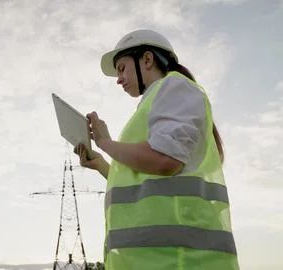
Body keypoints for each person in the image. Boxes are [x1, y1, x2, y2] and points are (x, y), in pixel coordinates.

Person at [74, 29, 239, 269]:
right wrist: (101, 164)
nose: (118, 79)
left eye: (121, 68)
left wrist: (106, 143)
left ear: (147, 60)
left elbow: (165, 160)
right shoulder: (156, 101)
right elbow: (149, 184)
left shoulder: (175, 88)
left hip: (180, 262)